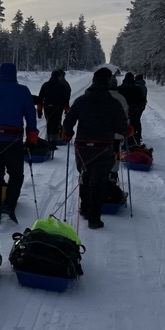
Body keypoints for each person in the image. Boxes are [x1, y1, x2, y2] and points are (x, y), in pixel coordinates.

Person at [61, 67, 129, 229]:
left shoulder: (80, 100)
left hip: (82, 147)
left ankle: (84, 209)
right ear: (108, 83)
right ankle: (94, 219)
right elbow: (122, 129)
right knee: (99, 182)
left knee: (85, 176)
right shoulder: (114, 103)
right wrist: (129, 130)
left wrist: (67, 135)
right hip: (103, 148)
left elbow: (68, 121)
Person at [0, 62, 39, 225]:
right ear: (15, 75)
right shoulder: (23, 91)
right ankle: (9, 206)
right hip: (14, 141)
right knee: (16, 175)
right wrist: (31, 140)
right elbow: (31, 116)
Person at [36, 69, 71, 147]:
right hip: (58, 108)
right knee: (56, 122)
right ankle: (54, 140)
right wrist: (66, 109)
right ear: (59, 77)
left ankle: (49, 139)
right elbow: (65, 99)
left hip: (47, 107)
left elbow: (40, 98)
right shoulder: (62, 86)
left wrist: (39, 111)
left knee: (49, 122)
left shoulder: (45, 85)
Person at [118, 72, 145, 145]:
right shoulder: (137, 89)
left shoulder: (120, 89)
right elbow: (142, 100)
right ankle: (137, 139)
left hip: (122, 113)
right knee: (135, 124)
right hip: (134, 112)